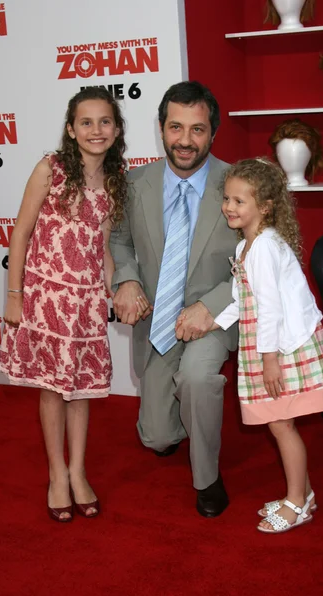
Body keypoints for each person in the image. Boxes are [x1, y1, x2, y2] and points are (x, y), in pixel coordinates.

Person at [0, 88, 128, 522]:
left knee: (81, 391)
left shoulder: (114, 180)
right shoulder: (49, 169)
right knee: (53, 390)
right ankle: (57, 474)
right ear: (71, 130)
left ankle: (78, 473)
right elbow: (20, 234)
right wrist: (14, 296)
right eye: (86, 122)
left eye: (105, 122)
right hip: (43, 298)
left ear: (116, 129)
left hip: (86, 304)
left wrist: (120, 290)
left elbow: (104, 248)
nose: (96, 130)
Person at [111, 81, 238, 518]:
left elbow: (262, 258)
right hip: (159, 321)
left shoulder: (239, 183)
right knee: (157, 438)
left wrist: (213, 305)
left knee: (198, 379)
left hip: (213, 315)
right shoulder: (134, 182)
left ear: (213, 133)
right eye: (176, 127)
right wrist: (125, 280)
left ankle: (208, 479)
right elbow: (120, 241)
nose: (185, 141)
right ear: (162, 129)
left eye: (197, 130)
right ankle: (181, 423)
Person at [209, 157, 323, 533]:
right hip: (266, 346)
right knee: (279, 424)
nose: (229, 207)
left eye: (239, 201)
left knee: (282, 425)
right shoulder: (245, 247)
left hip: (281, 350)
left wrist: (269, 362)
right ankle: (303, 494)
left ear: (264, 207)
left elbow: (269, 308)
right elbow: (241, 301)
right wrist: (212, 324)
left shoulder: (264, 247)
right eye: (227, 199)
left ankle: (298, 503)